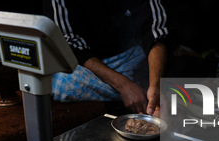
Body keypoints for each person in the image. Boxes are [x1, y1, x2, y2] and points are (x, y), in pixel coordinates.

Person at [43, 0, 172, 117]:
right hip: (88, 65)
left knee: (168, 60)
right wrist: (124, 86)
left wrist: (155, 84)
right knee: (60, 83)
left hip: (132, 56)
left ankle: (149, 95)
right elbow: (69, 43)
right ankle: (139, 93)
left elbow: (157, 28)